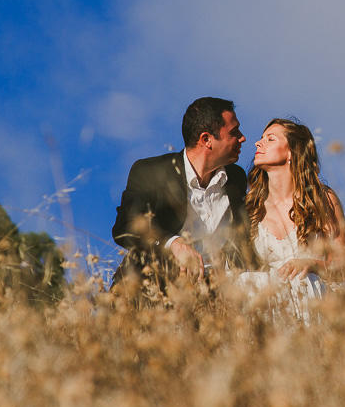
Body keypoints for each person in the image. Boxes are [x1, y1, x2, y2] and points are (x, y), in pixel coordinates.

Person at [110, 97, 257, 296]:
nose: (242, 138)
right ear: (206, 139)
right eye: (234, 132)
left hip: (216, 298)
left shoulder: (236, 178)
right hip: (152, 292)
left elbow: (241, 238)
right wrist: (173, 243)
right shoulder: (151, 171)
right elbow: (124, 227)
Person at [243, 118, 345, 300]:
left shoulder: (321, 199)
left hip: (313, 301)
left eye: (271, 139)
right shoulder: (251, 206)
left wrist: (311, 264)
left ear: (291, 152)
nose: (258, 143)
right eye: (262, 138)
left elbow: (342, 268)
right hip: (269, 303)